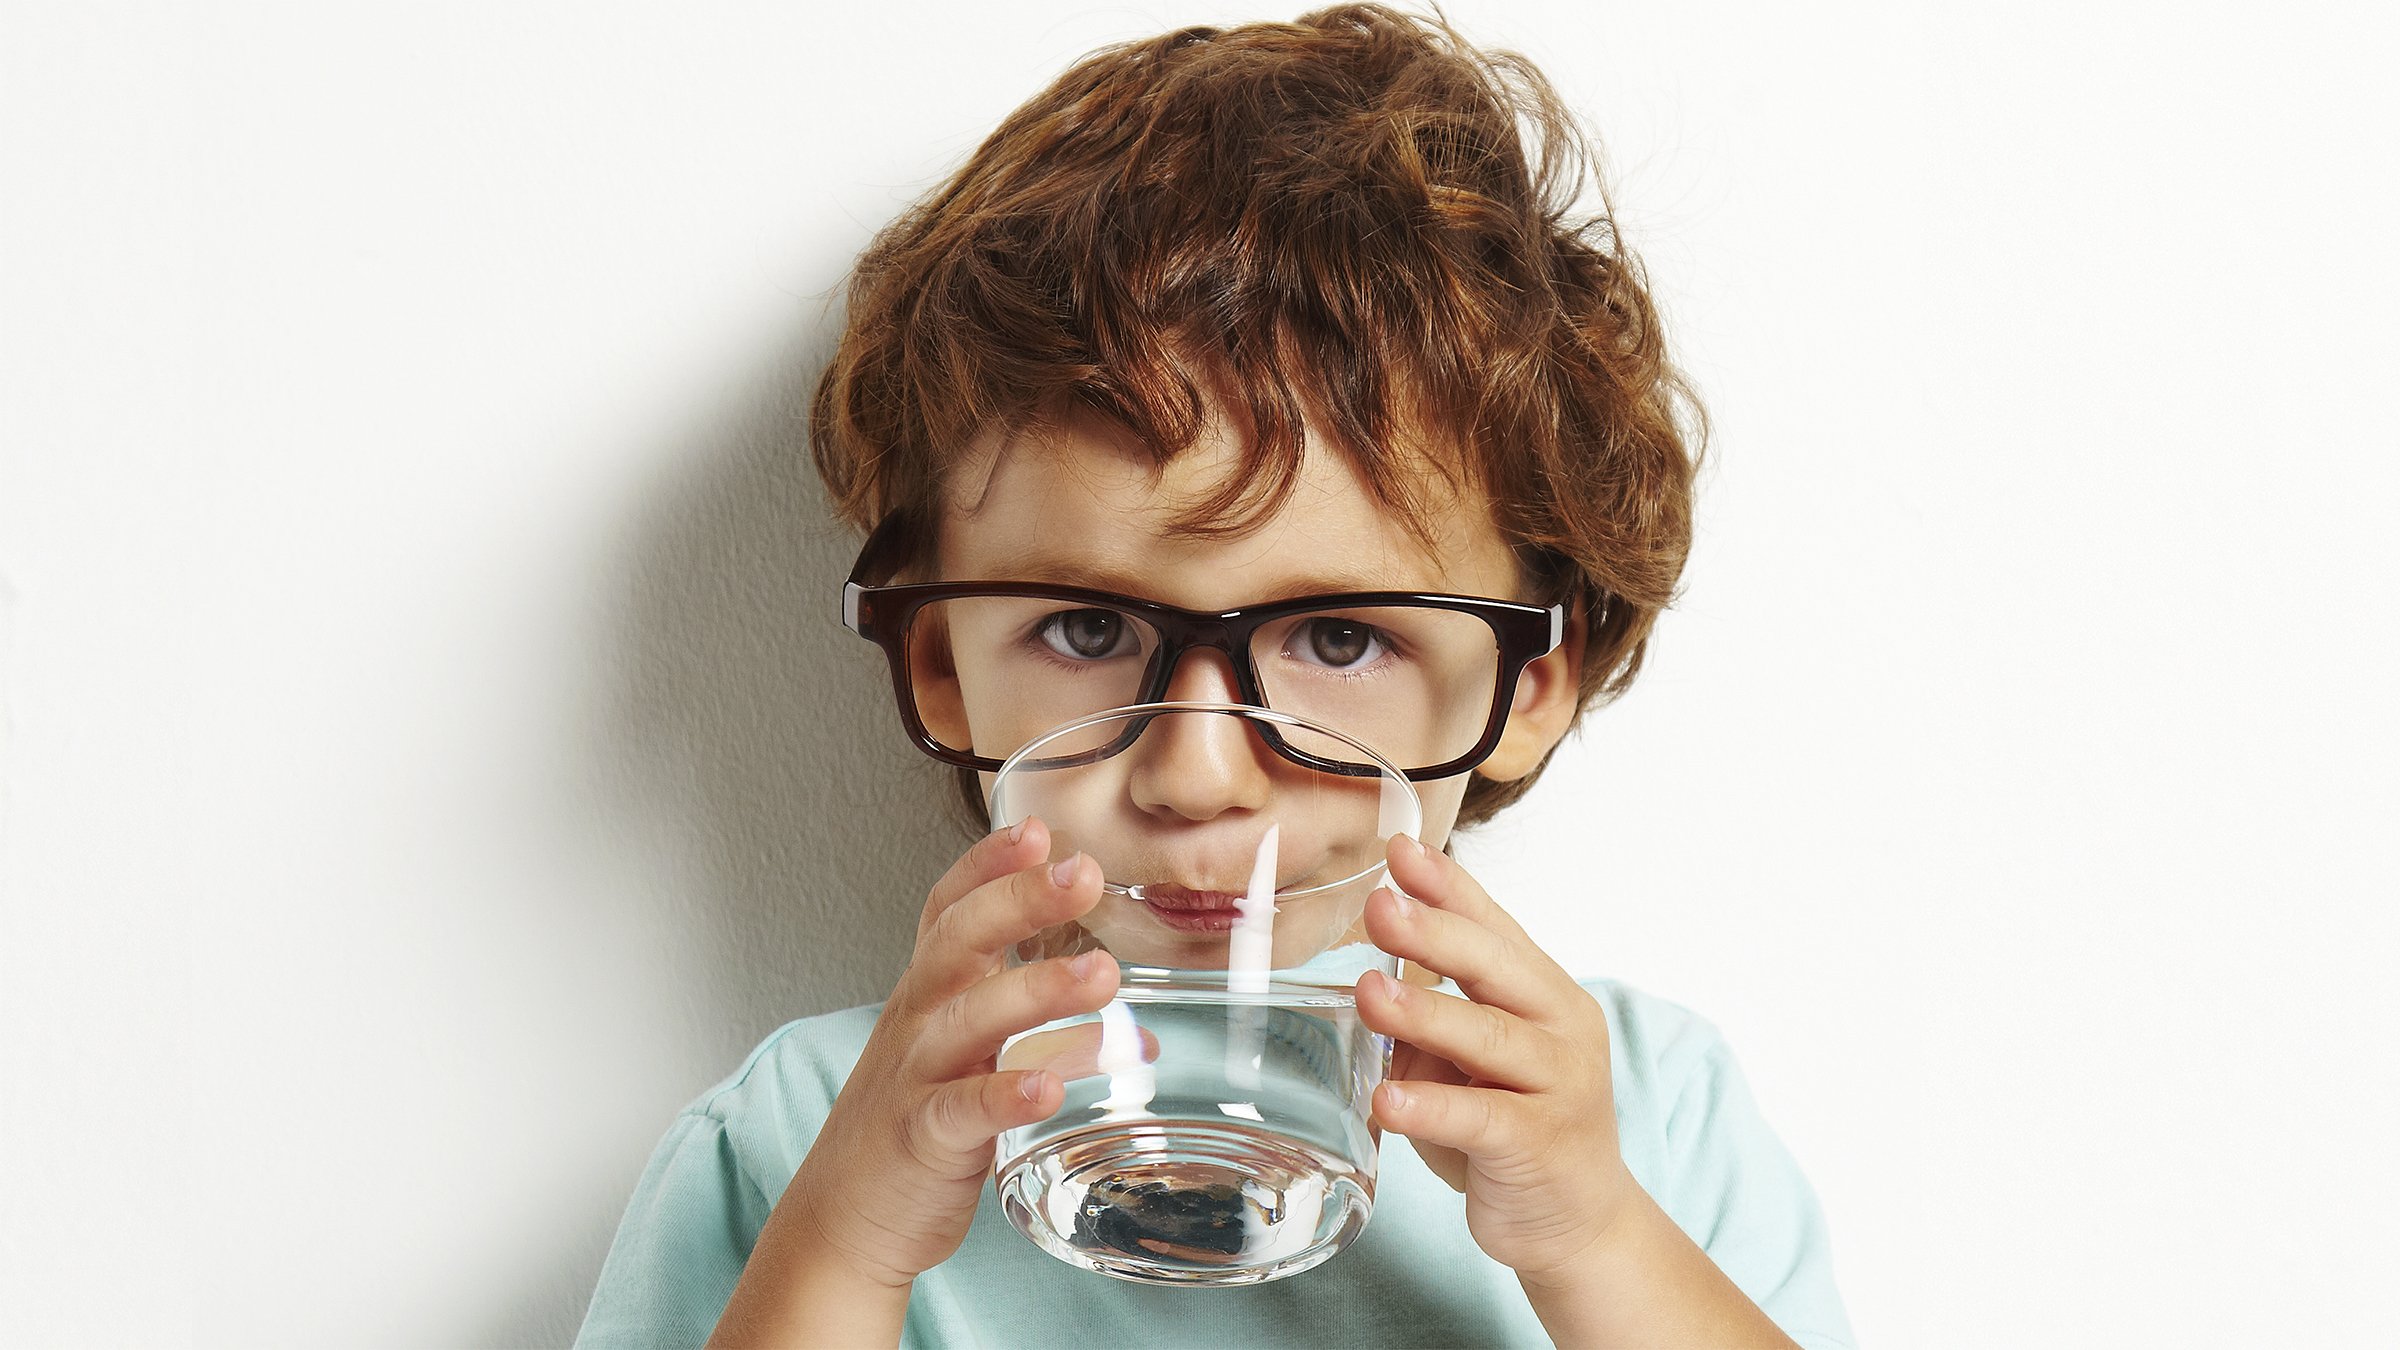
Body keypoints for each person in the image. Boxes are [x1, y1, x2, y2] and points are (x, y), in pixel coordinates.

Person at [576, 5, 1854, 1346]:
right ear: (938, 659)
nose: (1195, 769)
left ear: (1529, 684)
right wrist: (845, 1245)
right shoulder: (808, 1139)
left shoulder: (1643, 1121)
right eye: (1083, 630)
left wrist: (1594, 1236)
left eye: (1341, 639)